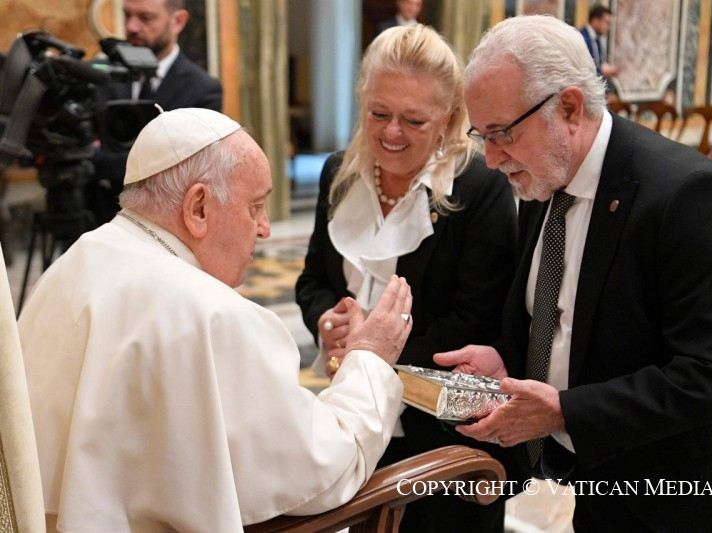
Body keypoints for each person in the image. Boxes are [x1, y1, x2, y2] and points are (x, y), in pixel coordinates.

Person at [433, 15, 712, 531]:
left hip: (696, 501)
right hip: (605, 490)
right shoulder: (543, 180)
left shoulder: (688, 195)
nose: (492, 159)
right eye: (482, 135)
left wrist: (564, 412)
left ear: (569, 108)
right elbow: (568, 323)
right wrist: (506, 360)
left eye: (503, 134)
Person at [18, 107, 414, 532]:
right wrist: (369, 357)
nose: (265, 229)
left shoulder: (73, 262)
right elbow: (325, 470)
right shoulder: (212, 315)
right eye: (255, 206)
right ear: (198, 207)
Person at [295, 24, 520, 533]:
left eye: (413, 120)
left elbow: (478, 319)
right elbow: (313, 280)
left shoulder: (478, 186)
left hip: (443, 433)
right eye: (379, 113)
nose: (391, 132)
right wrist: (328, 322)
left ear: (449, 117)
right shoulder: (339, 173)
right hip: (354, 418)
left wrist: (370, 352)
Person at [87, 0, 223, 225]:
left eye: (146, 18)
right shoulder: (98, 74)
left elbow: (180, 171)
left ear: (178, 21)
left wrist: (102, 157)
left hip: (165, 225)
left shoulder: (203, 89)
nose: (131, 27)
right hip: (95, 219)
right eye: (127, 15)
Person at [578, 4, 619, 80]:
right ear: (596, 21)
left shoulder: (596, 40)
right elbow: (582, 68)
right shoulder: (582, 38)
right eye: (607, 23)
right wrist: (602, 70)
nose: (608, 28)